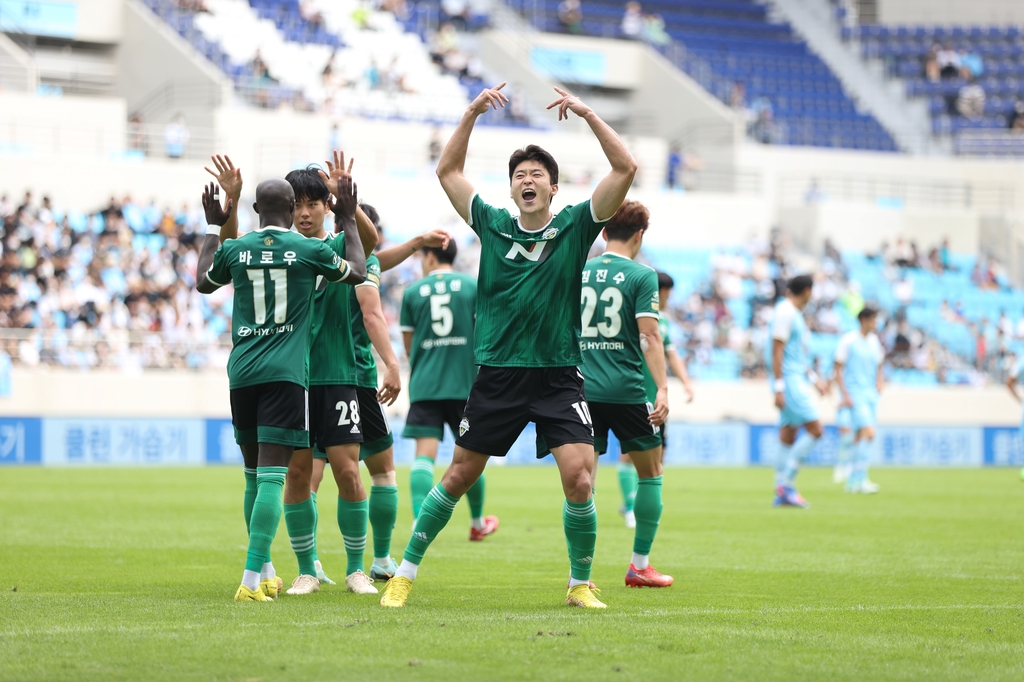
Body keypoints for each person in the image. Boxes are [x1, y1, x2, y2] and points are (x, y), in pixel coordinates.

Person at [378, 82, 637, 610]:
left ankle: (579, 585)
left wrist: (586, 113)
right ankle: (404, 572)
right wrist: (472, 111)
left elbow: (625, 169)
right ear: (512, 188)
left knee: (580, 478)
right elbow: (448, 173)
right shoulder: (493, 224)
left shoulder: (576, 226)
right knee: (457, 475)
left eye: (536, 174)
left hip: (559, 374)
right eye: (519, 175)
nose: (526, 179)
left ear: (553, 188)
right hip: (498, 373)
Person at [194, 175, 367, 602]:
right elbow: (358, 272)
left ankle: (269, 569)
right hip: (287, 374)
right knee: (275, 474)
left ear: (254, 211)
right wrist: (346, 215)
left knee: (253, 475)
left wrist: (215, 227)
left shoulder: (235, 249)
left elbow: (203, 281)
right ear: (292, 210)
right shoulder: (310, 249)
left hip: (242, 372)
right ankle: (252, 580)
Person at [573, 201, 673, 587]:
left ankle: (579, 574)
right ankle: (639, 565)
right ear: (639, 235)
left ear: (602, 233)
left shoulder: (578, 269)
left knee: (583, 480)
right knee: (651, 474)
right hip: (629, 390)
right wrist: (662, 387)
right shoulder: (642, 274)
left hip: (581, 389)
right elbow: (649, 334)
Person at [399, 239, 497, 540]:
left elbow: (408, 345)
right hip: (464, 384)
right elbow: (485, 333)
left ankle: (419, 521)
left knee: (423, 457)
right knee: (471, 455)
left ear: (430, 256)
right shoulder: (470, 286)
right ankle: (478, 522)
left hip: (426, 384)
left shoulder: (413, 292)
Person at [770, 275, 829, 508]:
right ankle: (786, 485)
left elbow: (797, 355)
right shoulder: (785, 312)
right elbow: (777, 350)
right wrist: (778, 387)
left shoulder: (794, 314)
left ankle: (780, 491)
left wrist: (815, 379)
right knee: (816, 429)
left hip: (795, 378)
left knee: (789, 433)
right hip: (789, 381)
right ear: (806, 290)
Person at [833, 306, 884, 494]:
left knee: (859, 437)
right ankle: (860, 478)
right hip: (855, 393)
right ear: (864, 319)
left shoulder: (874, 341)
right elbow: (837, 368)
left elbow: (879, 365)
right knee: (869, 432)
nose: (876, 324)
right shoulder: (848, 340)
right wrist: (845, 394)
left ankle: (854, 481)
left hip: (870, 394)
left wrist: (880, 381)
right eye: (874, 319)